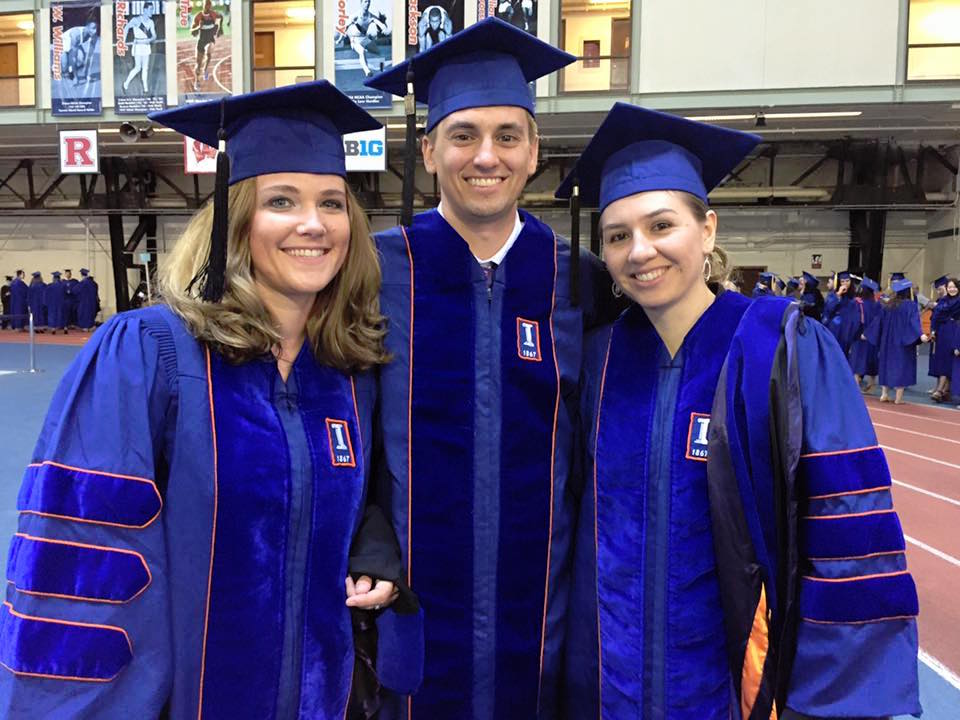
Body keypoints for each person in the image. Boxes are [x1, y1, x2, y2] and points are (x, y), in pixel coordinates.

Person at [0, 81, 420, 719]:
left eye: (332, 203)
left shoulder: (348, 373)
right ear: (235, 217)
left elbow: (327, 504)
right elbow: (82, 557)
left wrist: (371, 540)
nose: (313, 224)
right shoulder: (151, 354)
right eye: (282, 200)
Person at [556, 103, 920, 719]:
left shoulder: (780, 348)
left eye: (661, 225)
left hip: (736, 687)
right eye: (618, 235)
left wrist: (831, 700)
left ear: (709, 229)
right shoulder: (599, 359)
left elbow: (847, 526)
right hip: (608, 683)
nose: (640, 250)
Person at [364, 18, 619, 718]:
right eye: (463, 135)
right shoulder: (375, 270)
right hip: (408, 601)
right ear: (428, 148)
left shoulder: (579, 281)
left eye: (508, 136)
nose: (487, 156)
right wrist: (370, 540)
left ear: (534, 151)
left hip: (542, 608)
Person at [865, 278, 922, 404]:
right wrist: (920, 334)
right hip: (902, 341)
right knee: (902, 366)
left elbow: (878, 322)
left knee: (886, 364)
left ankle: (884, 394)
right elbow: (914, 322)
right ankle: (898, 398)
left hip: (887, 340)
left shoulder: (888, 304)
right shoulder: (911, 306)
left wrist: (868, 334)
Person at [922, 275, 959, 402]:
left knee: (951, 359)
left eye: (954, 287)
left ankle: (941, 390)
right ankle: (943, 390)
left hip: (955, 331)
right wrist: (932, 330)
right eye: (950, 287)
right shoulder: (943, 301)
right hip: (942, 332)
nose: (952, 289)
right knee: (943, 359)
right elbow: (936, 316)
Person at [341, 0, 389, 77]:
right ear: (361, 3)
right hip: (354, 40)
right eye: (366, 2)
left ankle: (381, 70)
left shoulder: (371, 16)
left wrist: (384, 28)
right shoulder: (355, 15)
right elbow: (344, 28)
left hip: (364, 39)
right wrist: (340, 39)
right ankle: (367, 71)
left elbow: (380, 24)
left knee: (379, 53)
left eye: (369, 2)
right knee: (362, 51)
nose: (368, 4)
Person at [850, 275, 882, 392]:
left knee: (858, 360)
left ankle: (855, 386)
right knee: (872, 360)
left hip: (860, 336)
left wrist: (855, 334)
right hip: (872, 337)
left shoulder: (858, 303)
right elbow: (879, 321)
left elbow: (856, 320)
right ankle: (871, 384)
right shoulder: (878, 304)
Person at [122, 3, 157, 94]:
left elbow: (154, 36)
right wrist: (123, 40)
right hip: (138, 46)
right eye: (150, 9)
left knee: (145, 68)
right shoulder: (136, 20)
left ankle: (145, 88)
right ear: (145, 10)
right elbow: (126, 28)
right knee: (138, 68)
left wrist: (149, 40)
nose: (151, 11)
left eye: (152, 9)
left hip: (146, 46)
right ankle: (125, 84)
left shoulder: (150, 22)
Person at [190, 0, 223, 92]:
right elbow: (192, 32)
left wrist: (220, 29)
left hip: (210, 39)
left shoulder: (214, 14)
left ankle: (205, 69)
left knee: (209, 51)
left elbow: (220, 18)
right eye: (206, 5)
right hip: (201, 41)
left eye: (210, 5)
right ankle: (197, 81)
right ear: (203, 6)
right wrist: (198, 27)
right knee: (198, 64)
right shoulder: (198, 16)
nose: (208, 7)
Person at [44, 270, 68, 335]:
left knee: (53, 316)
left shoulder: (49, 286)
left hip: (52, 304)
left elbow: (46, 295)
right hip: (61, 303)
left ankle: (53, 329)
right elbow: (66, 294)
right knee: (62, 315)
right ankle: (65, 328)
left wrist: (46, 304)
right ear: (59, 278)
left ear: (53, 278)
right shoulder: (63, 286)